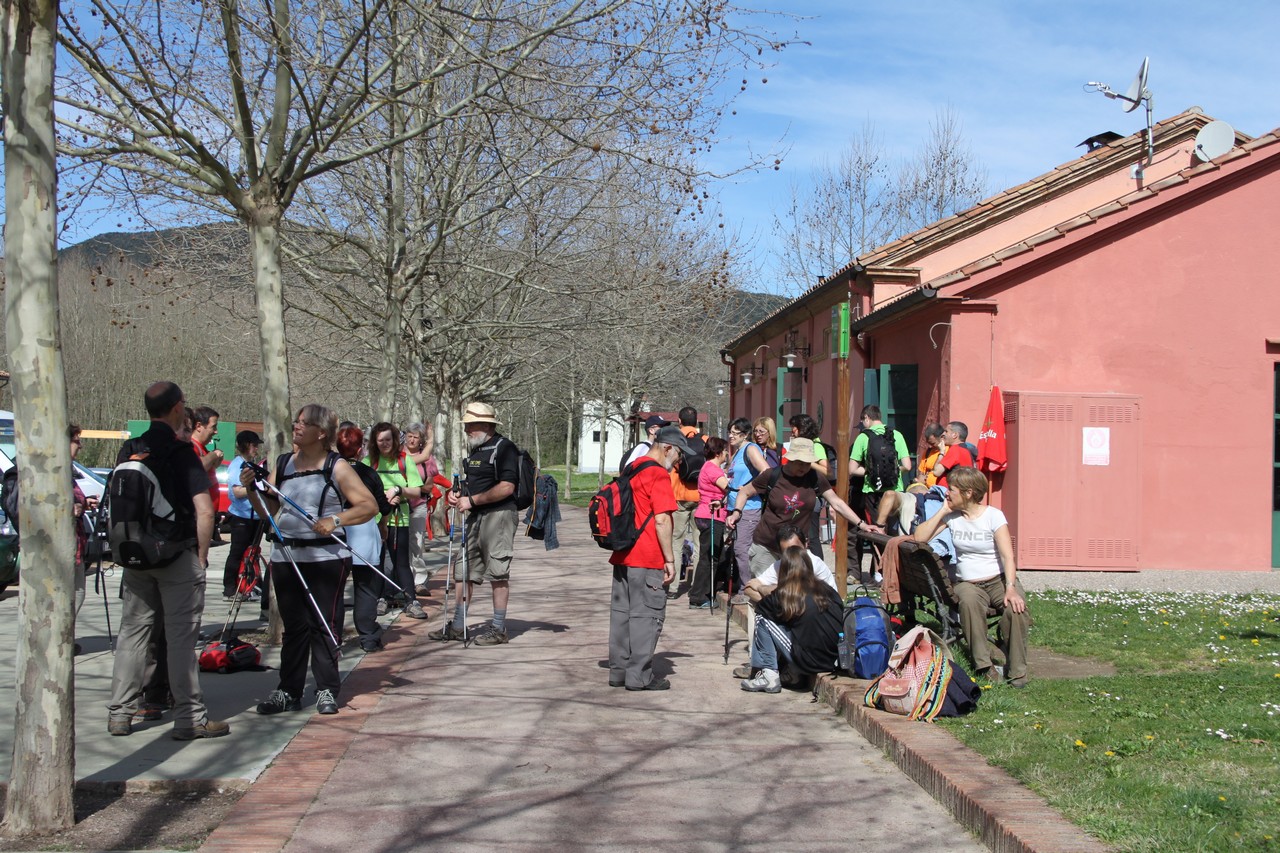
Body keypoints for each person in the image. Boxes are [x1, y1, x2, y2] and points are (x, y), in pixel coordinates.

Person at [107, 381, 230, 739]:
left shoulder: (131, 447)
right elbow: (204, 510)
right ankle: (190, 718)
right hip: (177, 554)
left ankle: (120, 714)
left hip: (137, 556)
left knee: (132, 635)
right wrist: (202, 556)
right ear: (177, 407)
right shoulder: (181, 452)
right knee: (180, 640)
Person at [244, 404, 377, 715]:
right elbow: (270, 511)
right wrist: (252, 489)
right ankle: (288, 691)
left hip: (326, 557)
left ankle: (327, 689)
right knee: (293, 627)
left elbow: (368, 506)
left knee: (324, 624)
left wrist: (335, 520)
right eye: (296, 421)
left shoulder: (337, 466)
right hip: (286, 556)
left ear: (321, 432)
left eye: (304, 423)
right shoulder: (283, 463)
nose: (297, 426)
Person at [913, 466, 1029, 688]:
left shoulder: (993, 516)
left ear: (968, 493)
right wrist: (942, 511)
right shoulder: (952, 516)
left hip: (998, 580)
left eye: (952, 489)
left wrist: (1011, 588)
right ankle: (984, 665)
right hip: (968, 584)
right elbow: (919, 537)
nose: (947, 493)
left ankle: (1018, 672)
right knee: (969, 603)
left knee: (1016, 609)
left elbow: (1007, 556)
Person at [608, 425, 691, 690]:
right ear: (667, 448)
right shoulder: (657, 474)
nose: (678, 462)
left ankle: (619, 672)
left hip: (623, 553)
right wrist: (670, 559)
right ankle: (639, 677)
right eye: (678, 455)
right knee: (646, 617)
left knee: (621, 616)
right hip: (647, 556)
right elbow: (662, 520)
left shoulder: (632, 468)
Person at [431, 402, 521, 646]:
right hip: (474, 516)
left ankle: (498, 629)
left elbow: (507, 487)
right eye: (466, 425)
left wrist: (472, 500)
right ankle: (458, 626)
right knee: (463, 571)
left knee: (498, 572)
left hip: (499, 516)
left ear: (487, 425)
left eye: (471, 425)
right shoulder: (476, 450)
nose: (466, 429)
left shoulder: (505, 448)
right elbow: (474, 485)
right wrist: (457, 494)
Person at [726, 437, 870, 580]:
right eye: (800, 462)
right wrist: (737, 512)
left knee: (793, 590)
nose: (804, 467)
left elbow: (837, 502)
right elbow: (745, 492)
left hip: (795, 548)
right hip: (766, 546)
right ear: (790, 459)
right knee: (764, 590)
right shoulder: (772, 475)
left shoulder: (815, 478)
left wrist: (862, 524)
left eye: (807, 463)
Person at [739, 546, 843, 694]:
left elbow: (762, 607)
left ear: (784, 570)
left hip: (809, 660)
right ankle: (789, 672)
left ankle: (767, 674)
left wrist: (762, 588)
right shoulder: (827, 589)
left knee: (762, 618)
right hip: (832, 659)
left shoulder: (786, 595)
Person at [336, 425, 396, 652]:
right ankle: (368, 636)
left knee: (334, 590)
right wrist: (383, 524)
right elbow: (383, 506)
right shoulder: (368, 473)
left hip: (336, 531)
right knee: (366, 588)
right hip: (363, 531)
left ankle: (332, 636)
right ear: (360, 449)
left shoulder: (329, 472)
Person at [366, 422, 426, 619]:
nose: (385, 444)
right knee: (377, 561)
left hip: (399, 518)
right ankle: (380, 598)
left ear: (394, 440)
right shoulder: (369, 462)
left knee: (401, 562)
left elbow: (417, 491)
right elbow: (360, 490)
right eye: (380, 440)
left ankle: (411, 601)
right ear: (374, 442)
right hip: (374, 519)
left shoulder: (404, 460)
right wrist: (382, 498)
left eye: (388, 439)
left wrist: (399, 490)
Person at [848, 405, 912, 581]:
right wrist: (893, 472)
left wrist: (871, 473)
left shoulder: (863, 437)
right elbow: (907, 466)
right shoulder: (896, 434)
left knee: (877, 532)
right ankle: (894, 574)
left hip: (873, 492)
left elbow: (852, 469)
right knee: (894, 532)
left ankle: (879, 575)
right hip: (895, 491)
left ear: (867, 418)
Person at [724, 417, 770, 599]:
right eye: (730, 432)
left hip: (749, 507)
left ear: (745, 435)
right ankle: (744, 585)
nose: (731, 436)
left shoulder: (750, 449)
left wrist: (751, 488)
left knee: (742, 549)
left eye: (735, 433)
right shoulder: (736, 452)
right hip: (734, 507)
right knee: (737, 548)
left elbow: (766, 471)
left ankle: (748, 588)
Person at [688, 436, 730, 609]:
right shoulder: (713, 469)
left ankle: (704, 592)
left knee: (715, 556)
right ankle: (698, 597)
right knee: (708, 557)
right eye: (725, 451)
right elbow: (729, 488)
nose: (727, 454)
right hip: (711, 515)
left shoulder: (708, 467)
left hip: (709, 514)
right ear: (718, 452)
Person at [222, 430, 264, 602]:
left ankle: (251, 585)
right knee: (237, 553)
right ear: (246, 445)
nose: (256, 449)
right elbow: (237, 492)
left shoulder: (251, 464)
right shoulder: (237, 465)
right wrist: (255, 488)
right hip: (241, 517)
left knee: (252, 553)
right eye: (254, 445)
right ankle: (229, 589)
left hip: (255, 517)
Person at [667, 405, 704, 599]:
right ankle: (695, 588)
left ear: (679, 421)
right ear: (696, 422)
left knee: (676, 542)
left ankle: (673, 588)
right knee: (698, 543)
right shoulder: (705, 440)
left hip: (678, 497)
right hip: (700, 497)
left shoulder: (673, 441)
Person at [786, 413, 830, 558]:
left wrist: (806, 460)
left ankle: (818, 567)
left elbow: (827, 470)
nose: (792, 432)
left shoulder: (815, 446)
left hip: (813, 497)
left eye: (794, 428)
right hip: (801, 496)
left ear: (802, 428)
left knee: (812, 537)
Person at [403, 422, 439, 593]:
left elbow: (429, 485)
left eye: (415, 437)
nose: (411, 440)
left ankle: (419, 580)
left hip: (418, 505)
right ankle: (402, 580)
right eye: (409, 436)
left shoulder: (427, 459)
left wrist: (412, 489)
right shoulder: (398, 455)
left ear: (421, 440)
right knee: (399, 544)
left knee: (416, 543)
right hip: (399, 506)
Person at [190, 405, 223, 544]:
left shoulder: (202, 448)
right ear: (199, 426)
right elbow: (198, 467)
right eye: (213, 427)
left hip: (206, 517)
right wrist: (214, 455)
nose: (216, 431)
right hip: (197, 518)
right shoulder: (191, 446)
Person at [932, 421, 975, 487]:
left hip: (949, 490)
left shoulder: (955, 449)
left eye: (946, 431)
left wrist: (941, 452)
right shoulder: (966, 450)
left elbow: (936, 472)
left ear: (955, 435)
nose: (943, 434)